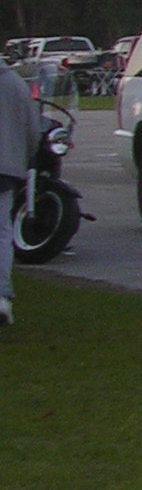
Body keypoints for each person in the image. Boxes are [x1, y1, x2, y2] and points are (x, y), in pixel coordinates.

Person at [0, 58, 40, 326]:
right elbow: (33, 131)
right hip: (7, 169)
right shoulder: (16, 84)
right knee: (2, 232)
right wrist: (23, 161)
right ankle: (1, 295)